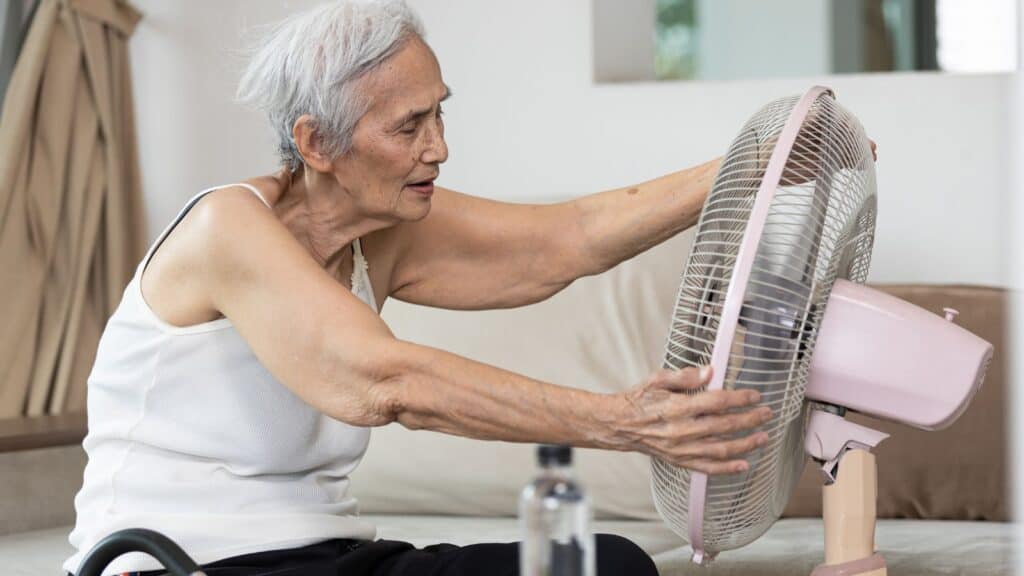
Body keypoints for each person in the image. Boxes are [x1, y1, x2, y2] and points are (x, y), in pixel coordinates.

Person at [64, 1, 780, 574]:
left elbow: (570, 239)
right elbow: (387, 381)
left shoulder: (382, 227)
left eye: (439, 112)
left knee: (606, 564)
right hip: (170, 562)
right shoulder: (226, 229)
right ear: (316, 144)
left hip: (326, 557)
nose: (439, 147)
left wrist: (756, 166)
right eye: (409, 126)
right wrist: (624, 421)